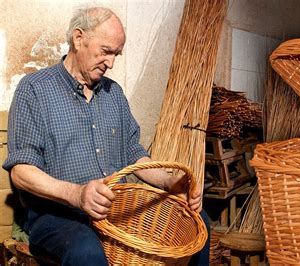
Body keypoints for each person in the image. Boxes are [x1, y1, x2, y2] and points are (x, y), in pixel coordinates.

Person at [3, 7, 210, 265]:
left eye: (116, 54)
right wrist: (78, 194)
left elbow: (134, 154)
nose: (111, 63)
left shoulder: (114, 94)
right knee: (86, 250)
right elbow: (21, 172)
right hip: (58, 216)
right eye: (106, 51)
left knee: (198, 222)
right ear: (79, 39)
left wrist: (169, 183)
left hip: (116, 210)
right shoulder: (35, 90)